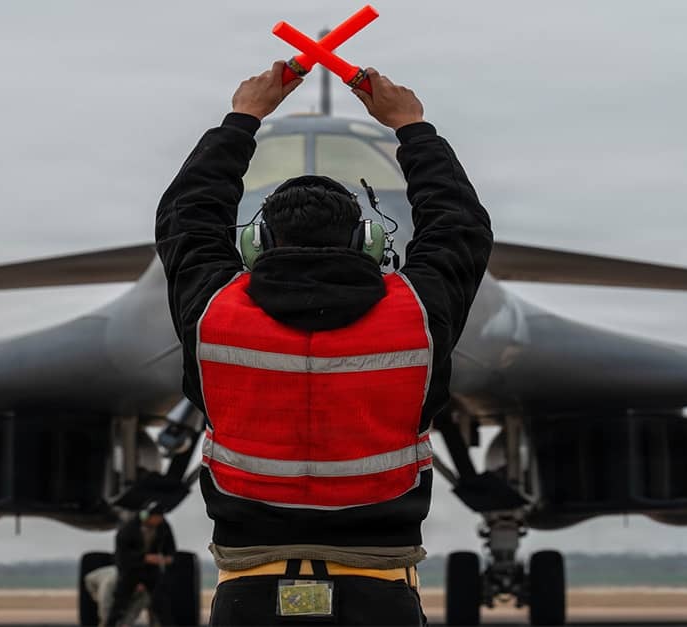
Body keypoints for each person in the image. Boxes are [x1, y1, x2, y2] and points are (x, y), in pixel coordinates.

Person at [155, 61, 492, 625]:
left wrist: (242, 118)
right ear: (369, 242)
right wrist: (411, 125)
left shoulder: (214, 316)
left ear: (257, 243)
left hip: (248, 592)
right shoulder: (417, 317)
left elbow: (187, 217)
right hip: (380, 591)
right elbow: (460, 228)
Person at [105, 504, 177, 627]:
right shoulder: (128, 529)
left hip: (152, 571)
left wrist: (167, 558)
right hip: (130, 571)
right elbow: (122, 557)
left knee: (162, 603)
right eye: (157, 517)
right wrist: (144, 558)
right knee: (119, 605)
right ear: (148, 516)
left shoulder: (163, 527)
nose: (159, 520)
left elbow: (170, 548)